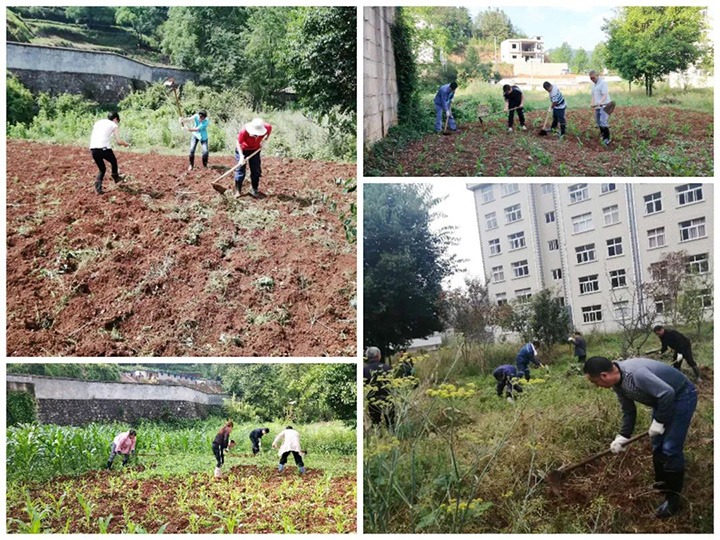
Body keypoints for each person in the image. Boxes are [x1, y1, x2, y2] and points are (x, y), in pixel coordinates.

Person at [583, 356, 697, 518]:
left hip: (682, 396)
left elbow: (667, 393)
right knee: (657, 442)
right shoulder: (618, 383)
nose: (598, 386)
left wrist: (659, 421)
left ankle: (673, 499)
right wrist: (623, 436)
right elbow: (629, 411)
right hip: (662, 401)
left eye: (595, 382)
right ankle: (663, 483)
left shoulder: (636, 374)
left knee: (670, 447)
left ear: (604, 376)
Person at [89, 111, 130, 195]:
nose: (117, 122)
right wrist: (126, 144)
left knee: (102, 169)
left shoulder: (98, 122)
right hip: (103, 148)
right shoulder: (114, 125)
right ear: (115, 119)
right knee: (113, 161)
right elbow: (118, 141)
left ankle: (98, 190)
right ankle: (116, 177)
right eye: (117, 121)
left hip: (93, 148)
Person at [234, 118, 272, 198]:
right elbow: (238, 143)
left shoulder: (267, 127)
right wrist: (241, 156)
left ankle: (254, 190)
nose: (256, 135)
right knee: (240, 170)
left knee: (256, 170)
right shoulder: (244, 131)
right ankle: (238, 191)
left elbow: (267, 134)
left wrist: (264, 141)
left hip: (255, 150)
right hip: (242, 149)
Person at [363, 346, 392, 425]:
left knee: (375, 423)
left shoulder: (364, 370)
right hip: (387, 398)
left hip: (372, 400)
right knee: (390, 422)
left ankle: (378, 435)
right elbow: (393, 383)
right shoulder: (387, 367)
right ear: (378, 355)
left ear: (367, 357)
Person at [589, 70, 612, 146]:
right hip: (598, 107)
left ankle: (607, 138)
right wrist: (592, 103)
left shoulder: (603, 83)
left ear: (597, 76)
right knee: (598, 122)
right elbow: (593, 96)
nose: (592, 80)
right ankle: (603, 135)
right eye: (590, 78)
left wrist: (601, 102)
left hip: (605, 106)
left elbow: (605, 94)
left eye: (593, 78)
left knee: (603, 121)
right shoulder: (593, 85)